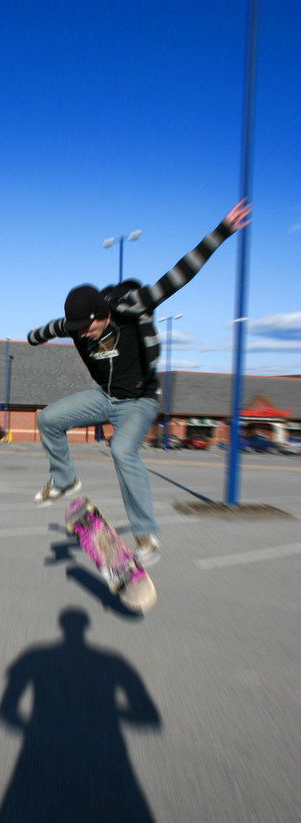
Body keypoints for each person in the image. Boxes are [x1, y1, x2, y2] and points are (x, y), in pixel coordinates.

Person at [27, 199, 251, 566]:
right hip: (106, 397)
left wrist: (222, 231)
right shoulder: (75, 328)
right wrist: (35, 335)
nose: (82, 336)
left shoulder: (135, 307)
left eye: (87, 329)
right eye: (77, 331)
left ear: (102, 315)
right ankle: (64, 479)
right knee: (48, 419)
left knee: (121, 451)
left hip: (141, 401)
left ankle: (146, 535)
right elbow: (51, 329)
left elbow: (179, 275)